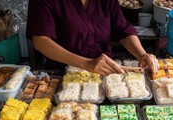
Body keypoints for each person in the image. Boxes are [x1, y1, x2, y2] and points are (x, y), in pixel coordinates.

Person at [26, 0, 158, 76]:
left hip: (105, 72)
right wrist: (86, 64)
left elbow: (122, 29)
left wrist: (142, 55)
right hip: (64, 74)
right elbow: (40, 40)